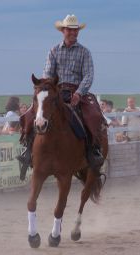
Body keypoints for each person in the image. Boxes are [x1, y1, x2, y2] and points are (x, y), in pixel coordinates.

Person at [18, 14, 106, 180]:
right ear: (63, 31)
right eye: (70, 30)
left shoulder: (84, 52)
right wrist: (49, 89)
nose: (73, 33)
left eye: (75, 30)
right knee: (30, 114)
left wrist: (79, 93)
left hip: (76, 91)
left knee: (94, 116)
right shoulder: (54, 50)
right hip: (55, 91)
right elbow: (47, 73)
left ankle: (93, 151)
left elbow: (88, 75)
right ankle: (27, 150)